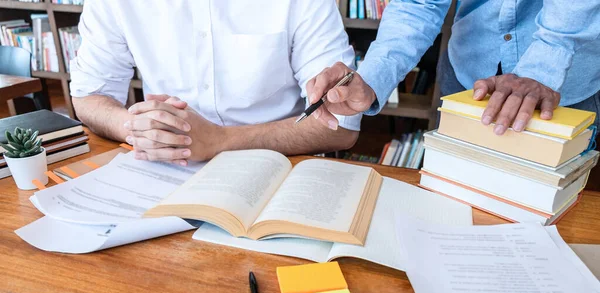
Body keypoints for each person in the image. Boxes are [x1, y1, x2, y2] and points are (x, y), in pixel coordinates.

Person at [70, 0, 361, 166]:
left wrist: (220, 141)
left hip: (279, 166)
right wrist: (140, 129)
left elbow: (342, 126)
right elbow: (90, 96)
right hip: (165, 169)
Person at [307, 1, 600, 138]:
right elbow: (418, 3)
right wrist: (370, 80)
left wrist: (540, 72)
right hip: (466, 76)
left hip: (563, 83)